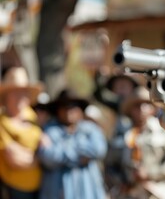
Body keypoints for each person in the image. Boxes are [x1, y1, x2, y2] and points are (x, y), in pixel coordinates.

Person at [106, 86, 165, 199]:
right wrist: (121, 181)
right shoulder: (122, 134)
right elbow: (110, 165)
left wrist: (150, 173)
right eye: (137, 106)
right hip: (128, 194)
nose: (142, 109)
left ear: (153, 109)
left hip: (156, 193)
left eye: (146, 105)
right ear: (130, 110)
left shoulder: (162, 133)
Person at [37, 89, 107, 199]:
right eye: (64, 106)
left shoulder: (91, 129)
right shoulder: (49, 131)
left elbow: (98, 149)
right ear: (57, 110)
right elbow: (47, 157)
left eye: (73, 106)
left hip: (89, 192)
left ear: (80, 109)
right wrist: (80, 157)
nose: (69, 110)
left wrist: (62, 152)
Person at [0, 66, 43, 199]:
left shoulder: (33, 116)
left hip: (40, 186)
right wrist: (41, 156)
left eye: (23, 92)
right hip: (15, 188)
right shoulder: (2, 122)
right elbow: (14, 159)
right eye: (15, 93)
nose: (20, 97)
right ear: (6, 96)